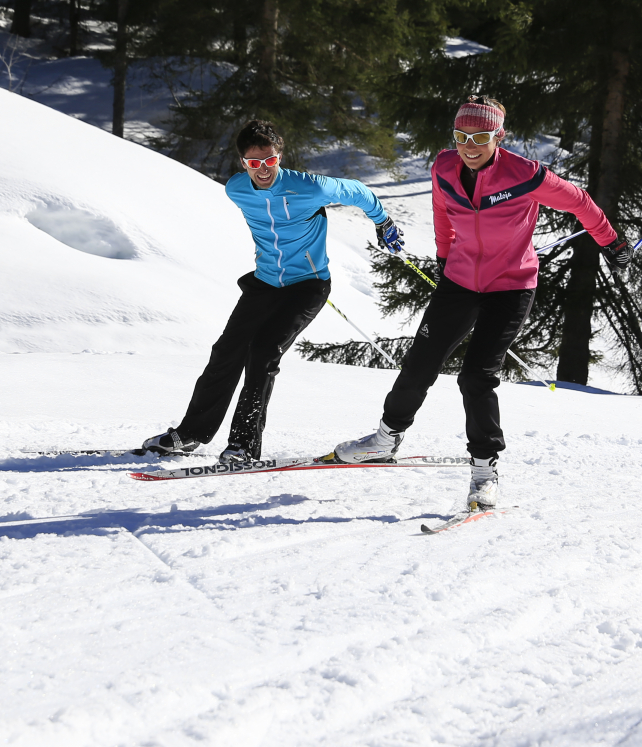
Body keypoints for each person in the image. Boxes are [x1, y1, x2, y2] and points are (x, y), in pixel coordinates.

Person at [334, 95, 633, 508]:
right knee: (421, 360)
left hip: (511, 287)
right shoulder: (443, 167)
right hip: (459, 280)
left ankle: (484, 471)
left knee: (476, 376)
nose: (469, 145)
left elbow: (580, 202)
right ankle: (385, 439)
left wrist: (611, 242)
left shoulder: (525, 174)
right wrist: (444, 255)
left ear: (499, 136)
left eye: (479, 136)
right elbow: (442, 211)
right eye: (461, 136)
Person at [143, 119, 405, 462]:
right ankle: (190, 434)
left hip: (308, 285)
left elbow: (357, 190)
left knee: (263, 353)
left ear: (279, 156)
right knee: (226, 352)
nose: (263, 170)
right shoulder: (236, 189)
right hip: (264, 283)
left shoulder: (309, 187)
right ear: (243, 164)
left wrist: (382, 221)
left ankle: (243, 446)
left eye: (270, 161)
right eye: (254, 163)